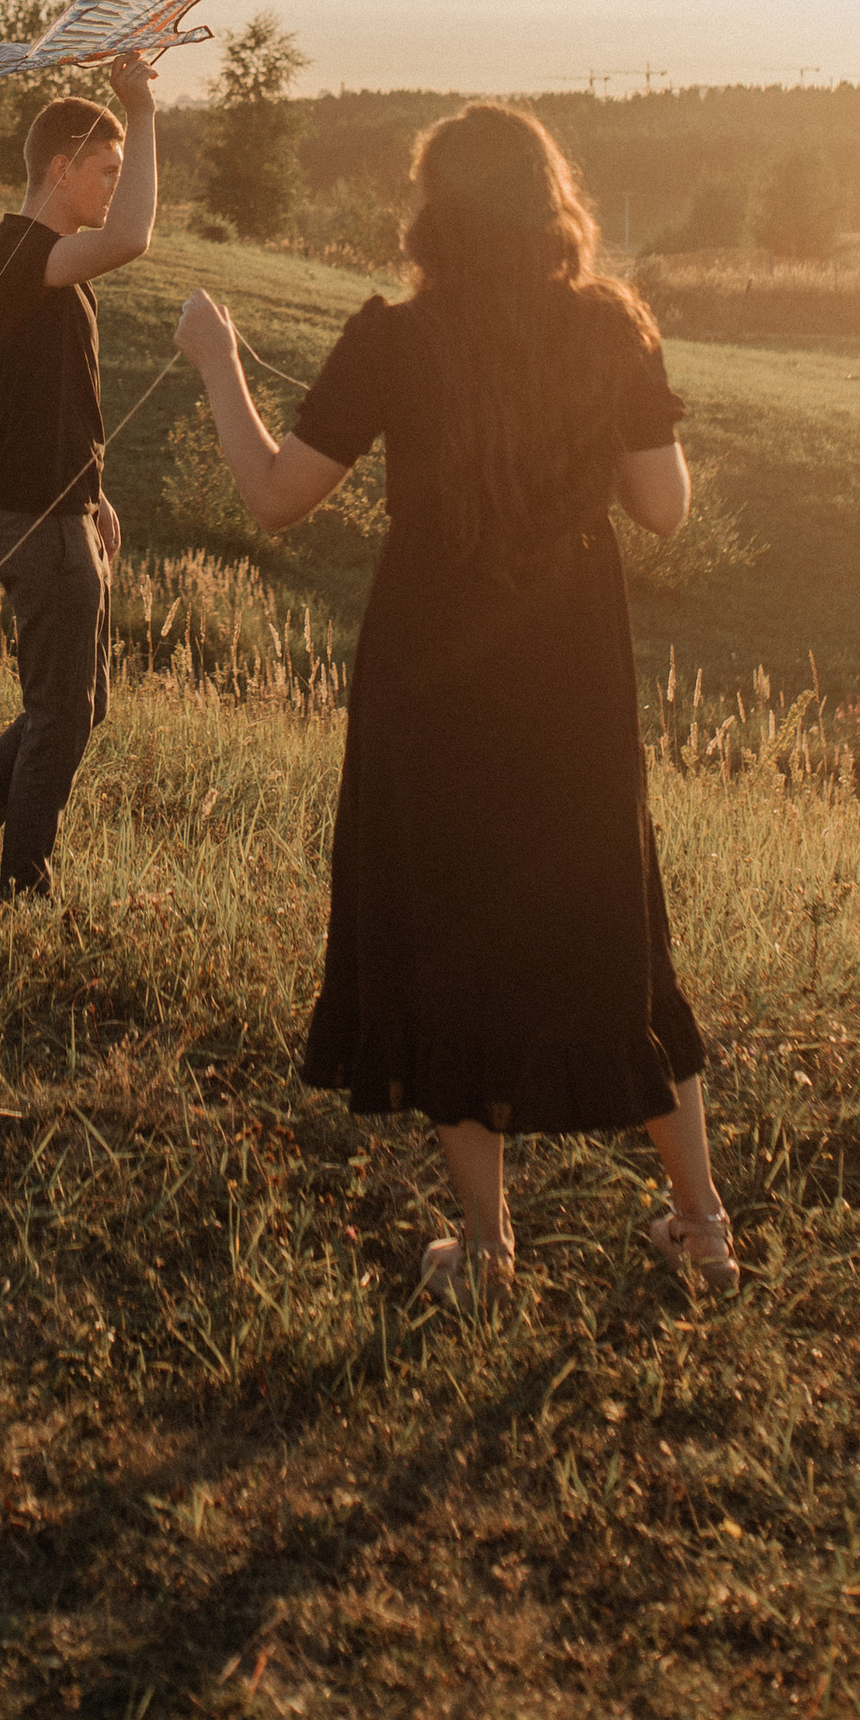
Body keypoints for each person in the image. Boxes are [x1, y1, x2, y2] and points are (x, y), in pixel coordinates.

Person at [174, 101, 737, 1302]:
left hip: (432, 679)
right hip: (573, 677)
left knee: (443, 940)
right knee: (616, 933)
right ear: (550, 203)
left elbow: (276, 497)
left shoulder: (393, 337)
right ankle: (702, 1228)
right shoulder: (609, 328)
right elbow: (663, 510)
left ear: (433, 211)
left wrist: (218, 364)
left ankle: (484, 1249)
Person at [0, 52, 159, 901]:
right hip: (37, 522)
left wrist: (96, 492)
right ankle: (24, 890)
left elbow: (58, 399)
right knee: (61, 713)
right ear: (60, 167)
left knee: (80, 705)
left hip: (65, 511)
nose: (117, 186)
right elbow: (133, 240)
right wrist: (143, 111)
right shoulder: (17, 257)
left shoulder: (51, 267)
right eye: (107, 168)